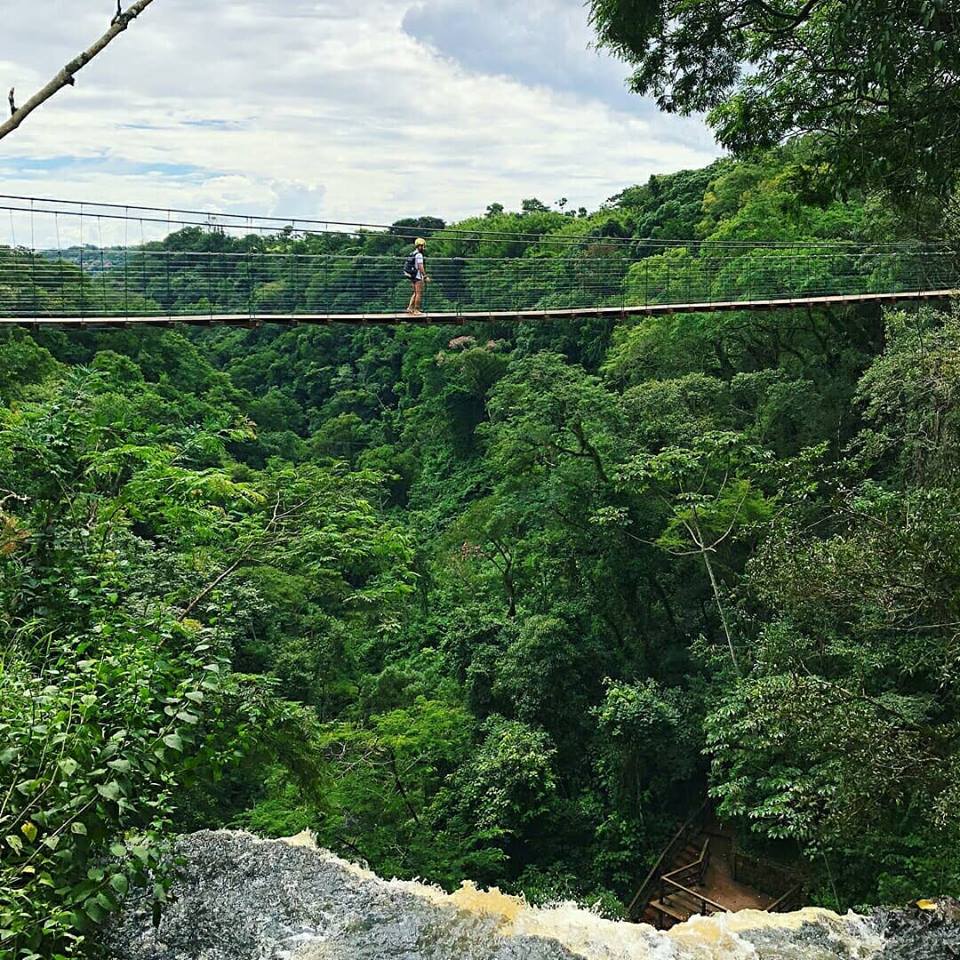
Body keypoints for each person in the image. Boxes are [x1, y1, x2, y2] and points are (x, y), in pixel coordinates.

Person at [405, 237, 430, 316]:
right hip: (417, 276)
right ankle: (416, 310)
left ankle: (410, 308)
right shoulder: (419, 255)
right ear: (419, 246)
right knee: (419, 293)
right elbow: (420, 266)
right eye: (422, 246)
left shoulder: (412, 253)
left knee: (415, 293)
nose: (423, 248)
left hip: (411, 275)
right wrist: (425, 276)